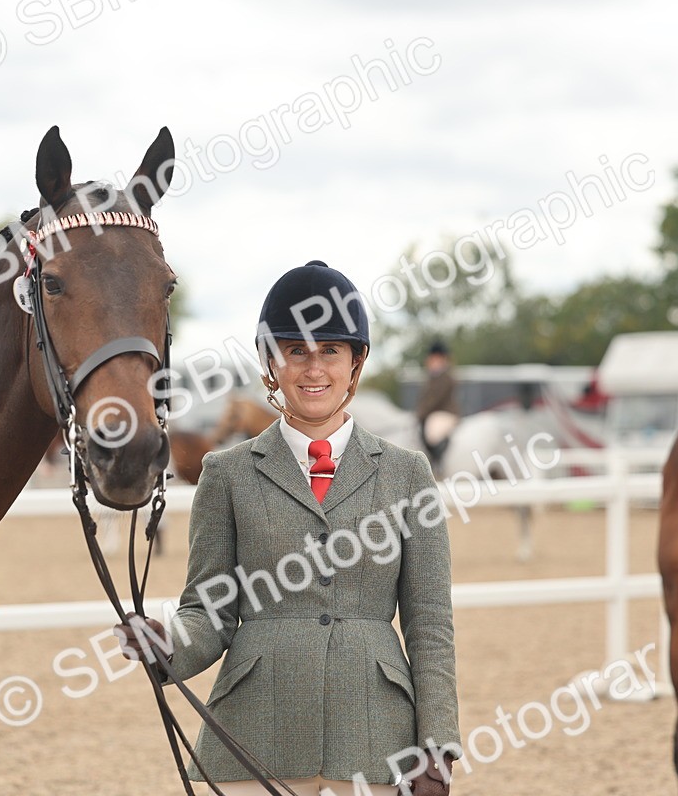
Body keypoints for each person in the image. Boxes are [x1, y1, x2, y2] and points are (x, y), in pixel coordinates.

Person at [116, 261, 461, 795]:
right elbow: (209, 612)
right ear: (269, 363)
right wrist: (169, 643)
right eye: (295, 351)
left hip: (377, 740)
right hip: (254, 736)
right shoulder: (224, 474)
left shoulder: (407, 474)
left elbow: (430, 624)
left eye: (330, 351)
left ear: (356, 362)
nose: (313, 368)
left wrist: (437, 745)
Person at [414, 341, 460, 468]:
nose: (431, 362)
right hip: (433, 414)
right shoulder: (431, 377)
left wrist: (420, 414)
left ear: (442, 359)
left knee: (432, 433)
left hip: (446, 413)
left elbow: (434, 400)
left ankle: (437, 464)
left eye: (434, 359)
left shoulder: (446, 377)